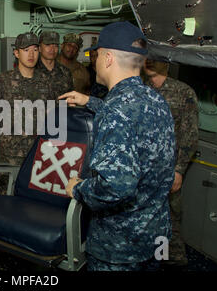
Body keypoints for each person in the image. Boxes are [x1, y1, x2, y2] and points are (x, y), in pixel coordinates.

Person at [59, 21, 176, 271]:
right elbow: (133, 122)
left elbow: (116, 187)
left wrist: (78, 189)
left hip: (120, 246)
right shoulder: (156, 100)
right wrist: (90, 101)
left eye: (97, 54)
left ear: (108, 58)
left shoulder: (116, 111)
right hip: (156, 236)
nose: (95, 60)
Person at [143, 58, 199, 266]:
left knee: (169, 222)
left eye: (155, 59)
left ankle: (170, 261)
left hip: (168, 171)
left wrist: (179, 170)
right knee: (145, 222)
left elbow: (189, 136)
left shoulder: (183, 92)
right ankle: (153, 260)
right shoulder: (142, 91)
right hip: (144, 172)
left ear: (166, 63)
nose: (149, 62)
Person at [0, 32, 50, 166]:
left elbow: (53, 115)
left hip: (40, 153)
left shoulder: (46, 81)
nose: (31, 55)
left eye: (35, 50)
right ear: (16, 53)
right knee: (9, 187)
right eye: (26, 50)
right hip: (12, 155)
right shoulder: (3, 81)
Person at [36, 31, 74, 99]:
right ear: (39, 48)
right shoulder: (31, 71)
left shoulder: (65, 72)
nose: (52, 49)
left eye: (55, 46)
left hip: (61, 109)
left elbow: (70, 99)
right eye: (48, 45)